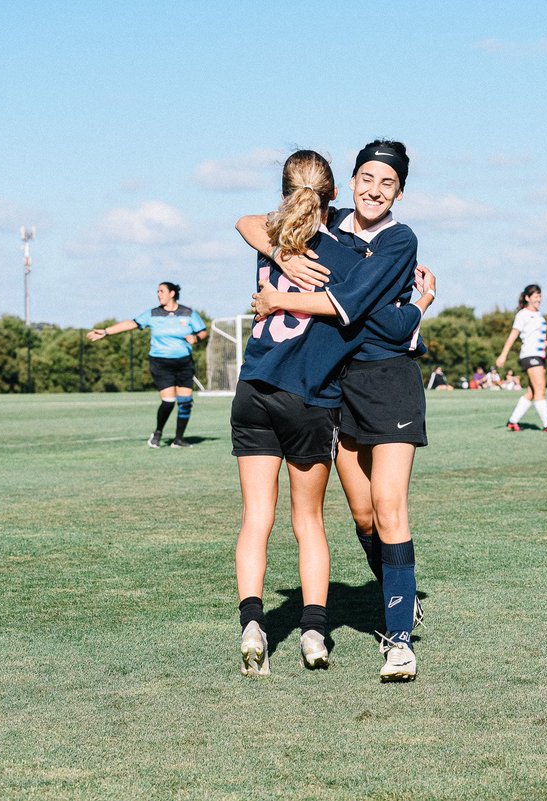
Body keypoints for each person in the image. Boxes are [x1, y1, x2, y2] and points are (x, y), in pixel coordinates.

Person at [238, 142, 436, 682]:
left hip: (389, 382)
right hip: (339, 387)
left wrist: (415, 307)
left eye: (387, 183)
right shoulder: (331, 225)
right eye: (366, 178)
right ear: (349, 182)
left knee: (390, 505)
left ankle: (398, 640)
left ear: (400, 191)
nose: (375, 189)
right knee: (363, 514)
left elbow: (388, 327)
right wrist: (282, 254)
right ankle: (400, 596)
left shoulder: (400, 239)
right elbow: (250, 220)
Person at [87, 282, 207, 447]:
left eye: (162, 291)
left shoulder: (188, 313)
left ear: (172, 293)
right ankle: (157, 433)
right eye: (157, 291)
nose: (158, 294)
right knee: (169, 401)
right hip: (161, 363)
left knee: (186, 401)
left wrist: (196, 338)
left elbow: (202, 331)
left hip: (184, 363)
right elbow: (132, 323)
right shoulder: (153, 313)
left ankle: (178, 439)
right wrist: (106, 331)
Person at [497, 284, 547, 431]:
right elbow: (513, 335)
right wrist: (503, 355)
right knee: (541, 390)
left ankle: (512, 421)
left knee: (532, 392)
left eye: (540, 296)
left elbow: (535, 336)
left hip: (539, 355)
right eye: (535, 296)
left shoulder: (539, 314)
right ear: (527, 298)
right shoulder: (522, 315)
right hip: (530, 355)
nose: (539, 299)